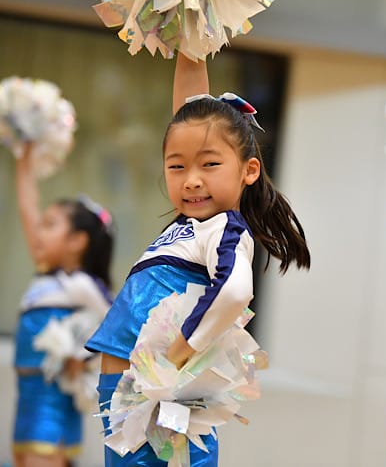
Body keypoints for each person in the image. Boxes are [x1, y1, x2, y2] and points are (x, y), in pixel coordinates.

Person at [86, 52, 311, 466]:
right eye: (177, 166)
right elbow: (189, 114)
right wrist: (191, 36)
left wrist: (178, 354)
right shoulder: (190, 222)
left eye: (210, 164)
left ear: (249, 170)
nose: (192, 178)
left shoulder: (223, 227)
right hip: (126, 386)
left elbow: (235, 290)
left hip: (163, 384)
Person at [12, 144, 114, 467]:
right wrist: (25, 157)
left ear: (77, 241)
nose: (38, 232)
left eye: (50, 224)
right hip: (26, 400)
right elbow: (27, 209)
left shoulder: (81, 286)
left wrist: (83, 358)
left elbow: (118, 329)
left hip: (52, 404)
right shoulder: (45, 275)